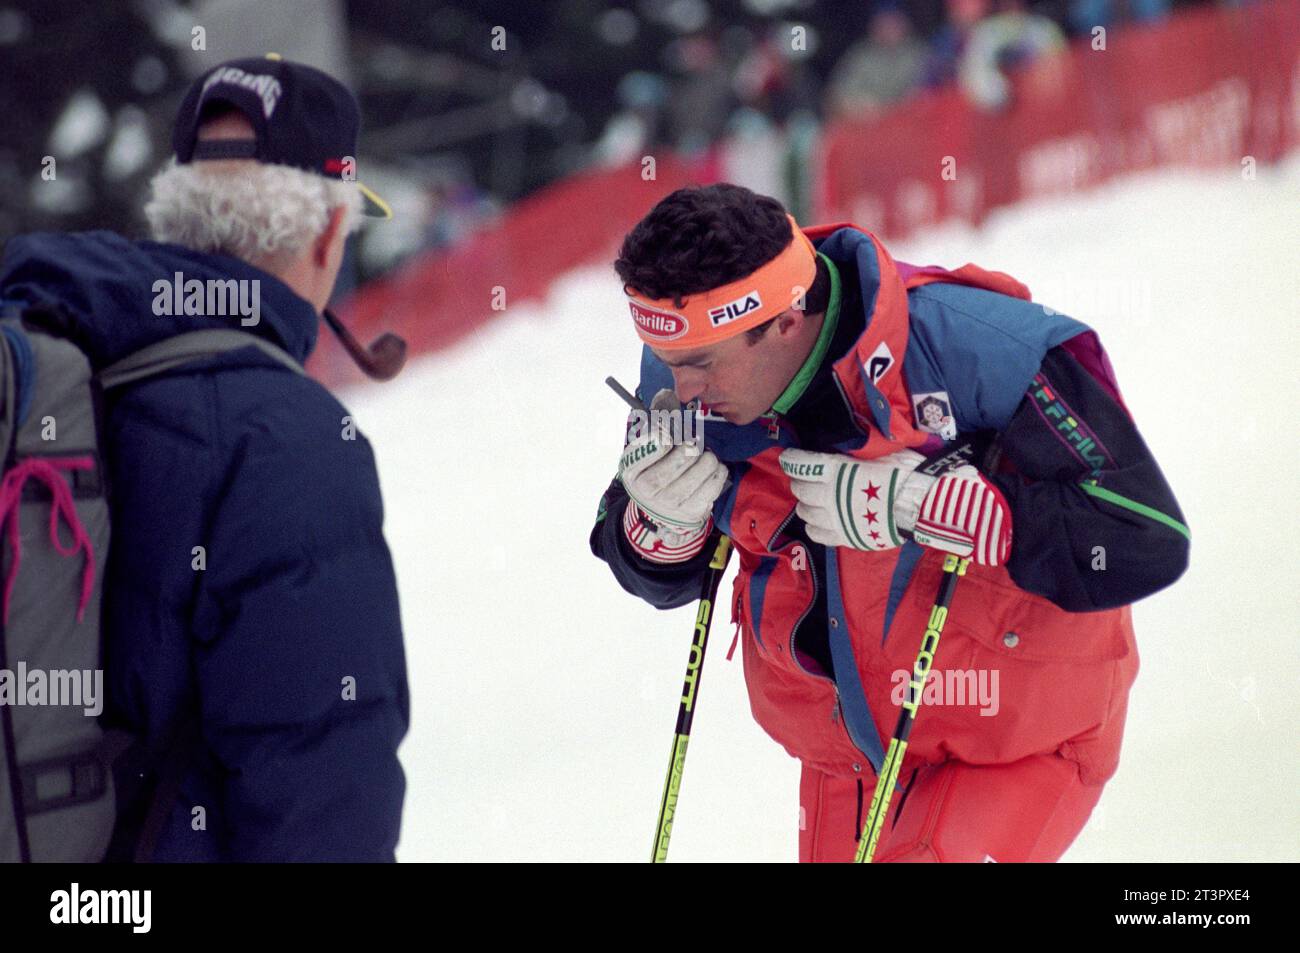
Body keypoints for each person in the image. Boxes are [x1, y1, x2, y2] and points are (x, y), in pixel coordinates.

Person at [590, 184, 1189, 862]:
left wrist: (937, 507)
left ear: (786, 321)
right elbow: (656, 568)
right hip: (850, 755)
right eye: (666, 363)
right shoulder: (686, 363)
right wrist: (661, 530)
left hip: (1012, 736)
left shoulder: (981, 350)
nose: (678, 392)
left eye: (698, 366)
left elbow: (1147, 537)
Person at [0, 56, 409, 860]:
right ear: (329, 231)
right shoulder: (288, 439)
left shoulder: (53, 357)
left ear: (178, 216)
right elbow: (320, 793)